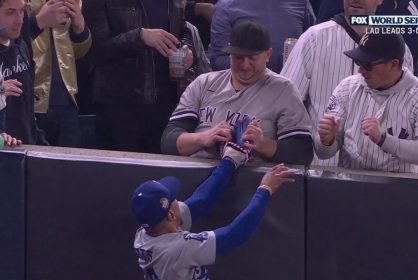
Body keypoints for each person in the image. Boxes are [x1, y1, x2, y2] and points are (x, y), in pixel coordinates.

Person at [132, 142, 295, 279]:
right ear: (171, 215)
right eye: (173, 199)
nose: (177, 200)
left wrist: (229, 162)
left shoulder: (145, 232)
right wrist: (265, 189)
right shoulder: (177, 249)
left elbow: (199, 201)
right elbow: (235, 234)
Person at [280, 0, 413, 167]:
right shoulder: (314, 38)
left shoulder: (400, 52)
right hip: (319, 170)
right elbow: (285, 107)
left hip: (382, 175)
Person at [161, 20, 314, 165]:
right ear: (229, 52)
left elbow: (302, 152)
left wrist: (263, 145)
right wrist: (203, 138)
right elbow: (168, 141)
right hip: (199, 173)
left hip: (252, 181)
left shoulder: (283, 90)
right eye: (239, 57)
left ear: (268, 54)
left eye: (253, 58)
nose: (245, 65)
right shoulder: (204, 83)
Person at [83, 0, 196, 153]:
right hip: (119, 106)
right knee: (121, 172)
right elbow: (94, 50)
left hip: (165, 104)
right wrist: (140, 36)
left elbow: (182, 30)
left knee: (159, 172)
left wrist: (187, 50)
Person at [314, 33, 418, 173]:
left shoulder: (416, 96)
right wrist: (326, 141)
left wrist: (384, 140)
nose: (360, 70)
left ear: (393, 64)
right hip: (349, 185)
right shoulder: (347, 87)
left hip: (400, 188)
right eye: (359, 62)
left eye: (368, 65)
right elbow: (323, 154)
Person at [27, 0, 92, 147]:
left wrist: (80, 29)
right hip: (30, 100)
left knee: (68, 167)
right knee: (34, 166)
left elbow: (78, 53)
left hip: (67, 99)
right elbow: (8, 44)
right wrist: (38, 22)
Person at [208, 0, 314, 73]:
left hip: (294, 86)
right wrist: (252, 69)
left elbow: (313, 45)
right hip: (244, 92)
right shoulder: (227, 6)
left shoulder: (301, 3)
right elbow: (218, 58)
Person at [0, 0, 46, 145]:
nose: (19, 20)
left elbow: (27, 110)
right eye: (10, 13)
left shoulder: (20, 45)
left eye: (22, 11)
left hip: (27, 144)